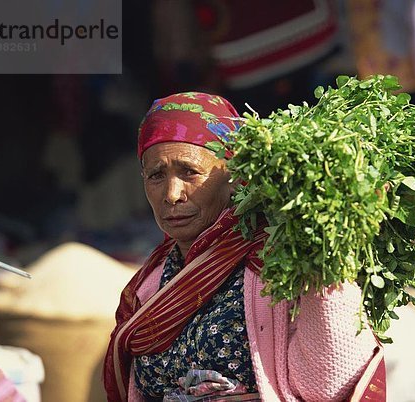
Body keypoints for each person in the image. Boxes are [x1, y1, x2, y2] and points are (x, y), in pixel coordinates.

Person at [103, 92, 385, 401]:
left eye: (189, 171)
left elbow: (329, 387)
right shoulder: (148, 287)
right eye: (157, 175)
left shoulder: (278, 267)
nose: (171, 194)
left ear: (234, 177)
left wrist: (329, 261)